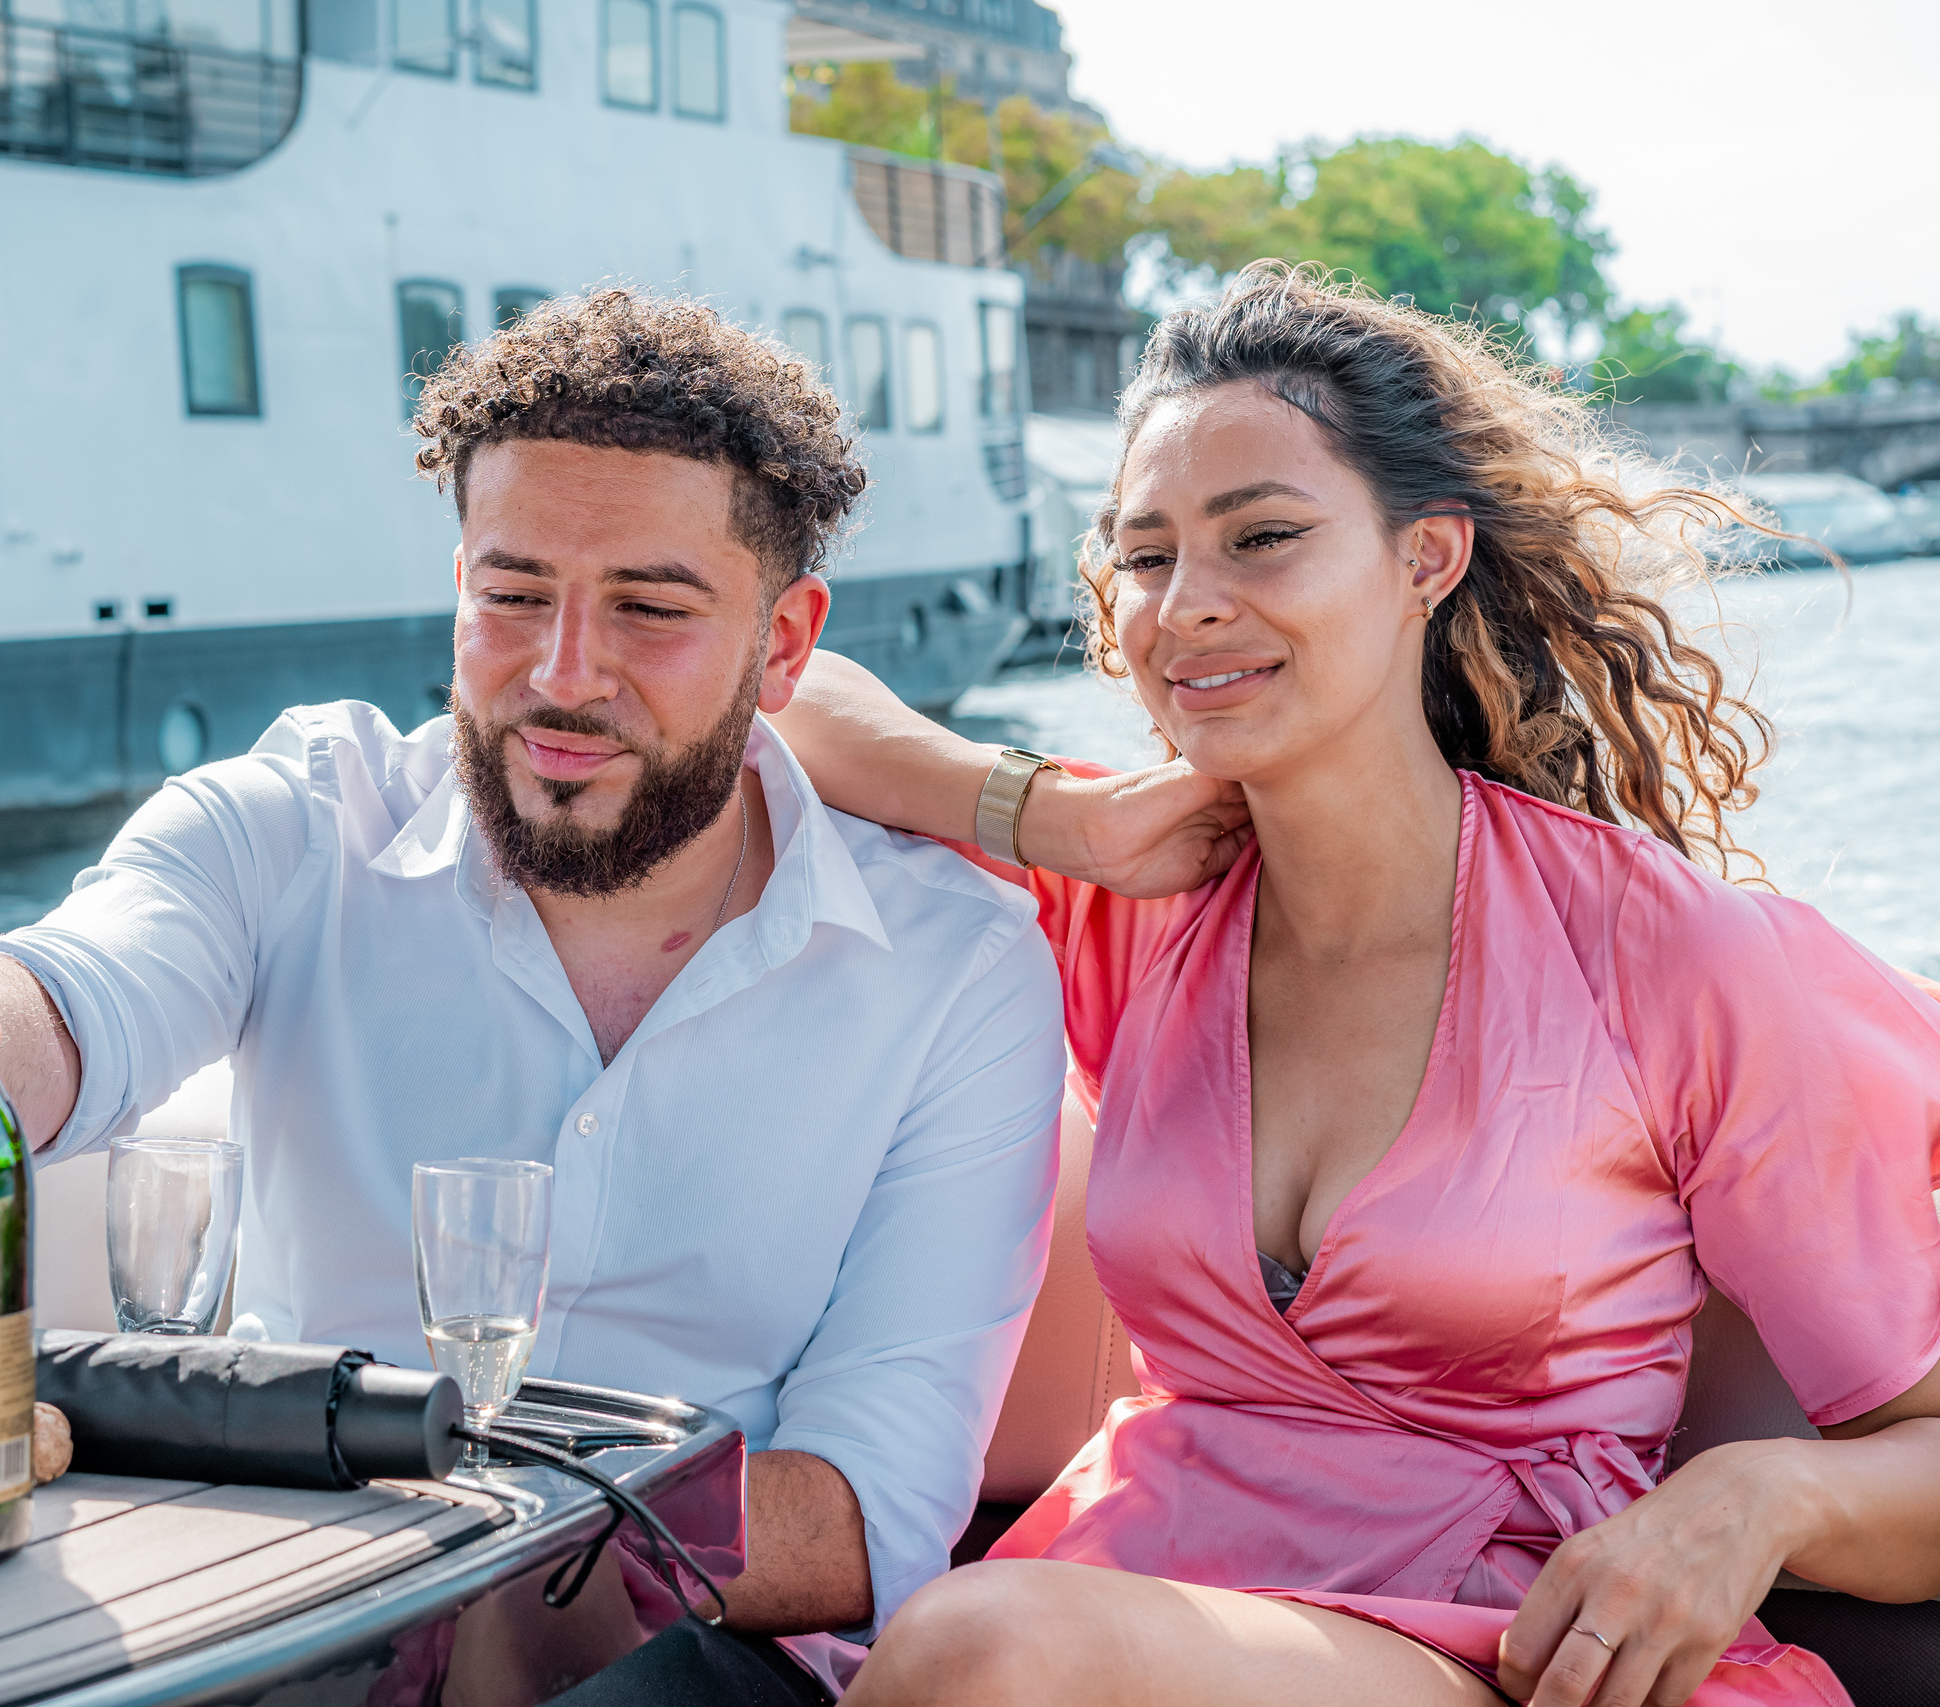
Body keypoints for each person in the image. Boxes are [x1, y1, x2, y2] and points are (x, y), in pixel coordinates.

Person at [0, 289, 1233, 1702]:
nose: (564, 674)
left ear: (784, 647)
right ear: (455, 593)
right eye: (514, 596)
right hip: (306, 1619)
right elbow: (76, 1000)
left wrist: (470, 1533)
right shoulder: (296, 820)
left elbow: (859, 1518)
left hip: (702, 1654)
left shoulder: (956, 969)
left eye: (648, 608)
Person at [773, 265, 1940, 1707]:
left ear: (1426, 559)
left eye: (1262, 538)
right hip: (1139, 1599)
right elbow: (775, 692)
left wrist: (1761, 1498)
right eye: (1146, 558)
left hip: (1496, 1653)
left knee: (984, 1646)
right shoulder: (1133, 898)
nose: (1187, 606)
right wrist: (1046, 817)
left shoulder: (1672, 955)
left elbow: (1924, 1446)